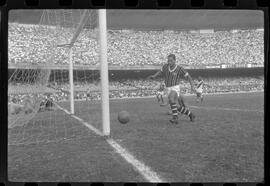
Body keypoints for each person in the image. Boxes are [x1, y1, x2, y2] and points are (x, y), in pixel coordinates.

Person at [148, 54, 196, 124]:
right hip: (168, 88)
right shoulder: (165, 66)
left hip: (175, 87)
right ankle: (191, 114)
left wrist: (192, 86)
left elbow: (188, 77)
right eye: (168, 60)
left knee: (171, 98)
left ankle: (175, 118)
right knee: (176, 106)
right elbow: (160, 71)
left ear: (174, 60)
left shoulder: (179, 68)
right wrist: (154, 76)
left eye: (171, 61)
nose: (169, 62)